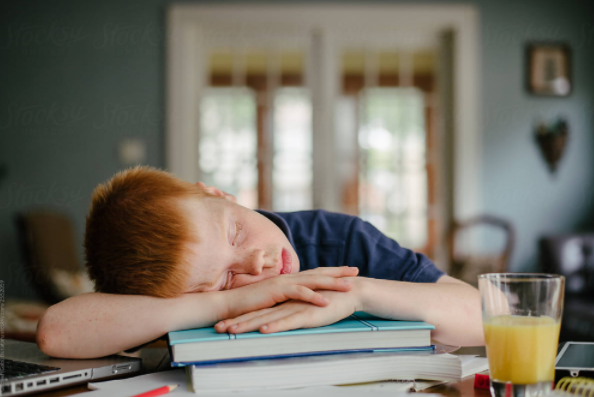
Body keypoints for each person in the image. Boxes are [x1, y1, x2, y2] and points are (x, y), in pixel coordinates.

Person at [36, 166, 484, 359]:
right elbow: (56, 331)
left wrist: (360, 293)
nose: (257, 264)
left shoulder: (338, 239)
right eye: (225, 278)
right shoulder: (184, 295)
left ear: (218, 194)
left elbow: (484, 318)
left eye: (234, 231)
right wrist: (229, 303)